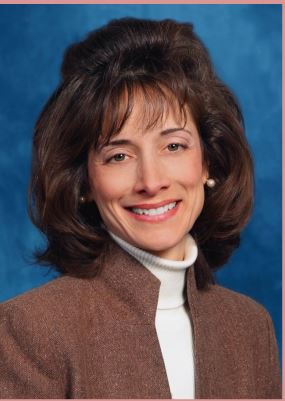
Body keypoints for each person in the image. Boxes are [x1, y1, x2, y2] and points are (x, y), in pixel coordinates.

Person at [0, 17, 281, 399]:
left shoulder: (250, 327)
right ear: (84, 183)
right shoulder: (29, 329)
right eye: (118, 155)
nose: (151, 181)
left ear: (209, 163)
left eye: (174, 146)